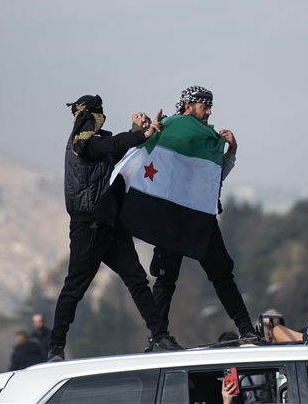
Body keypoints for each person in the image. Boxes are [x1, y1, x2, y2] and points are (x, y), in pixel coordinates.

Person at [48, 95, 182, 361]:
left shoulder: (95, 144)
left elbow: (118, 149)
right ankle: (55, 347)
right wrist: (143, 132)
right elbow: (114, 144)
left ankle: (159, 335)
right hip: (88, 226)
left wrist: (138, 132)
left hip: (107, 221)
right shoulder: (82, 145)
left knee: (137, 280)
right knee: (75, 287)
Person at [149, 86, 257, 342]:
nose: (209, 112)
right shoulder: (167, 131)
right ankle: (157, 338)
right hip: (172, 216)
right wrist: (143, 129)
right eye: (203, 106)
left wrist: (231, 151)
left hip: (200, 217)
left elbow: (213, 180)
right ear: (188, 107)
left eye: (210, 107)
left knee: (222, 275)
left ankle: (247, 330)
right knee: (165, 280)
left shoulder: (208, 138)